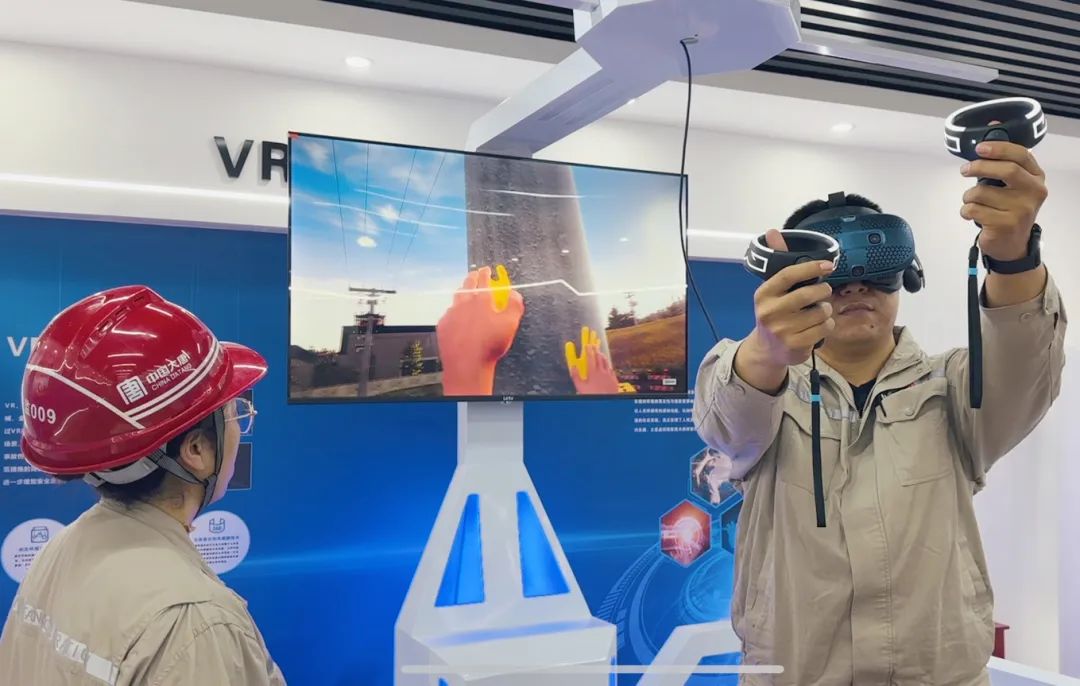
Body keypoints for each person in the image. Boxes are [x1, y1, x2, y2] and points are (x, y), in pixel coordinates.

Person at [693, 141, 1065, 685]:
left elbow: (1025, 366)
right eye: (833, 273)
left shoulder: (953, 388)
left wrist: (1014, 257)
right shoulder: (764, 386)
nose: (856, 287)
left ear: (906, 274)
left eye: (877, 266)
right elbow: (727, 424)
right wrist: (766, 352)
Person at [0, 285, 286, 685]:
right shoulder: (194, 624)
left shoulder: (62, 549)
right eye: (233, 413)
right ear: (196, 450)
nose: (240, 426)